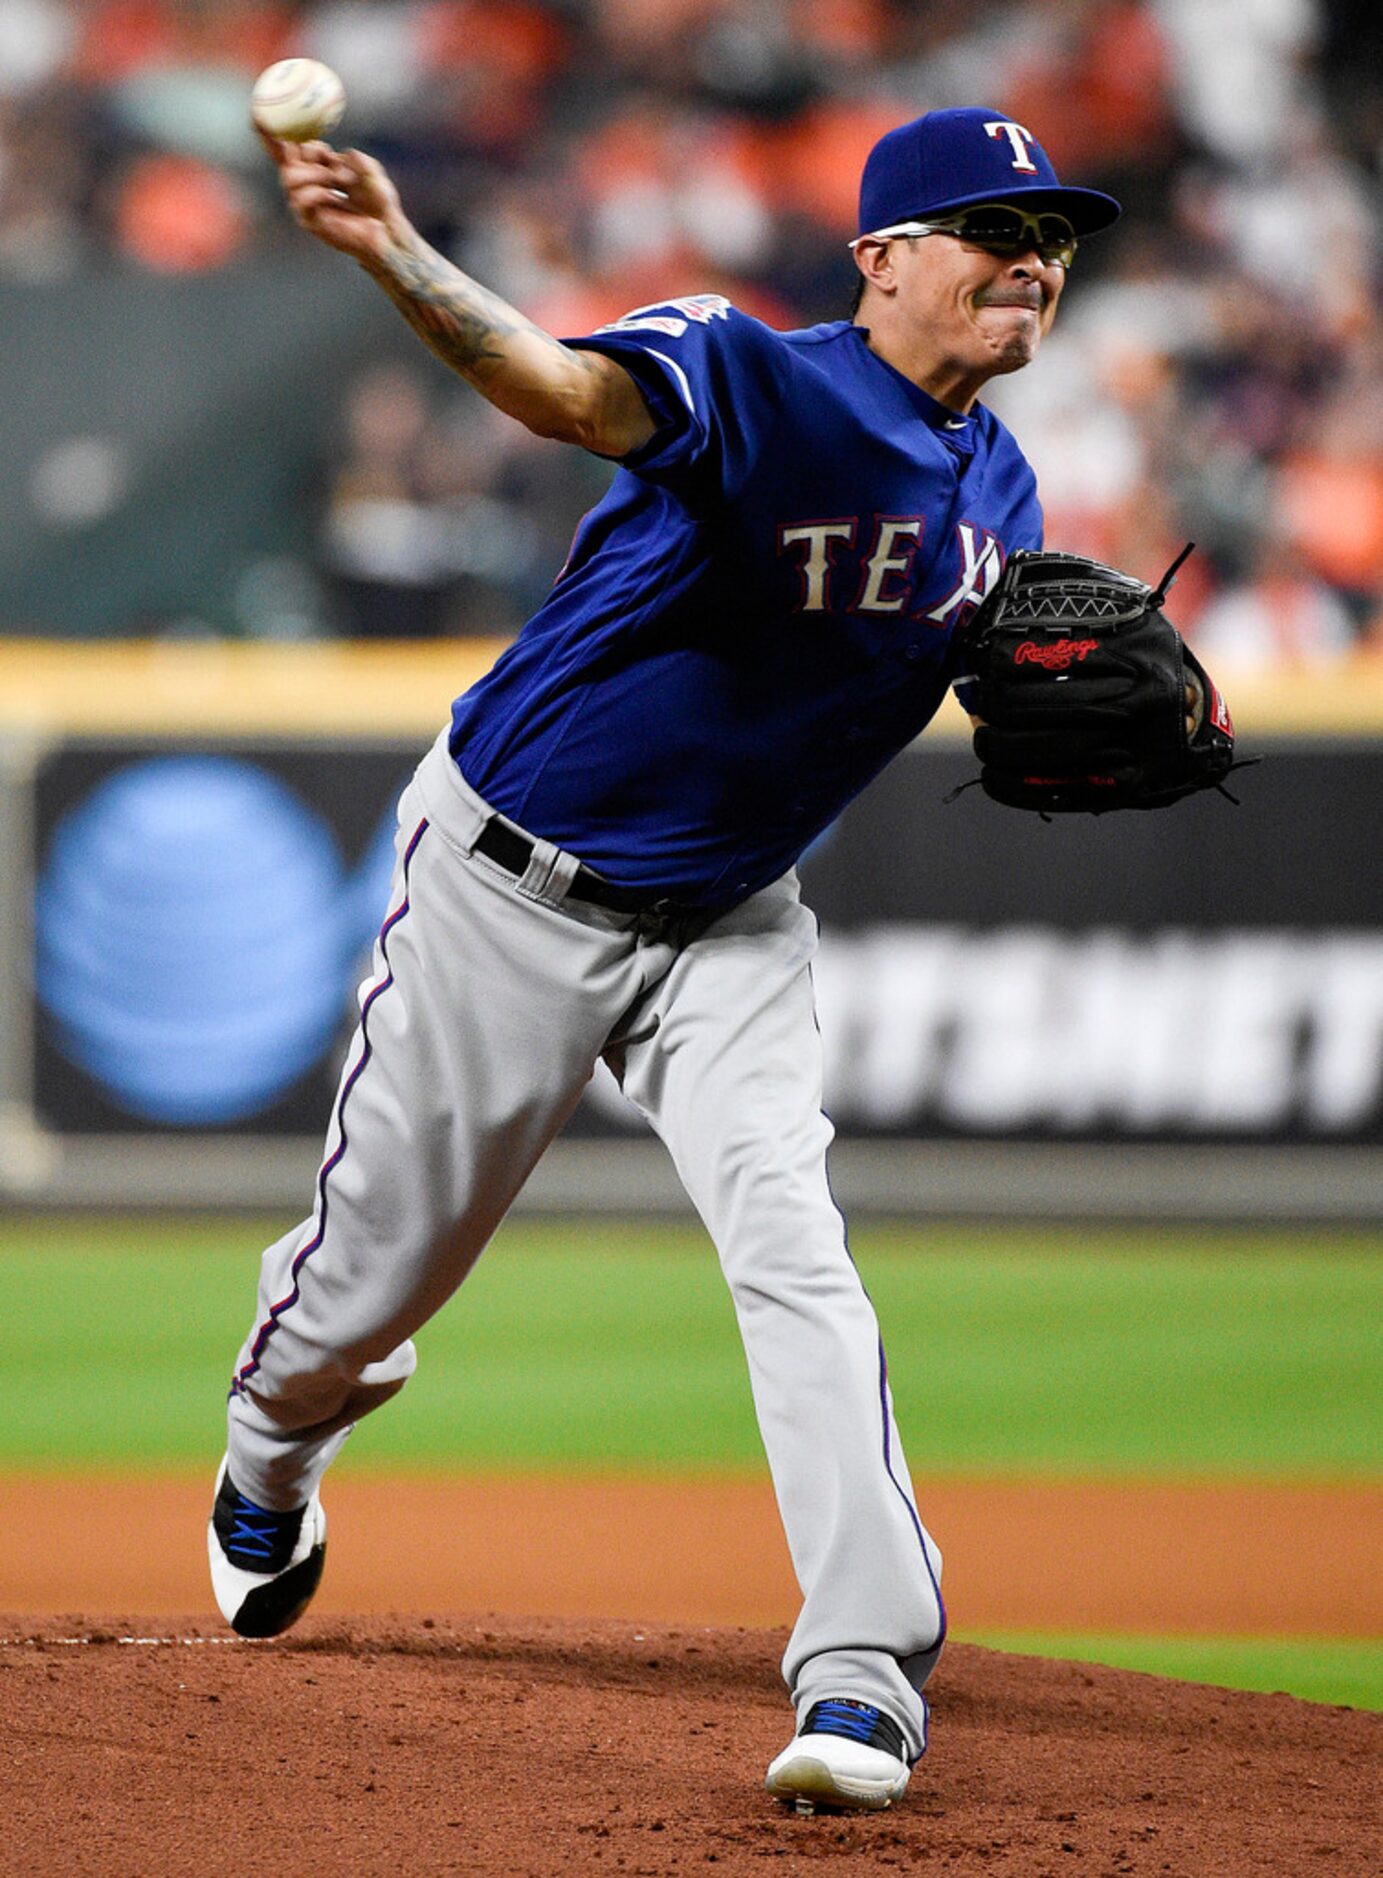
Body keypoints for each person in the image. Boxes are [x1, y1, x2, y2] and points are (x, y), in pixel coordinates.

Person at [210, 107, 1120, 1814]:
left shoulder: (1003, 486)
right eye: (995, 225)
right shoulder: (750, 372)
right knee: (364, 1289)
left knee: (797, 1252)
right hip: (510, 881)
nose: (1035, 259)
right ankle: (275, 1442)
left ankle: (865, 1667)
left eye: (1054, 232)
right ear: (882, 259)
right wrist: (395, 249)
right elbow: (560, 393)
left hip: (732, 924)